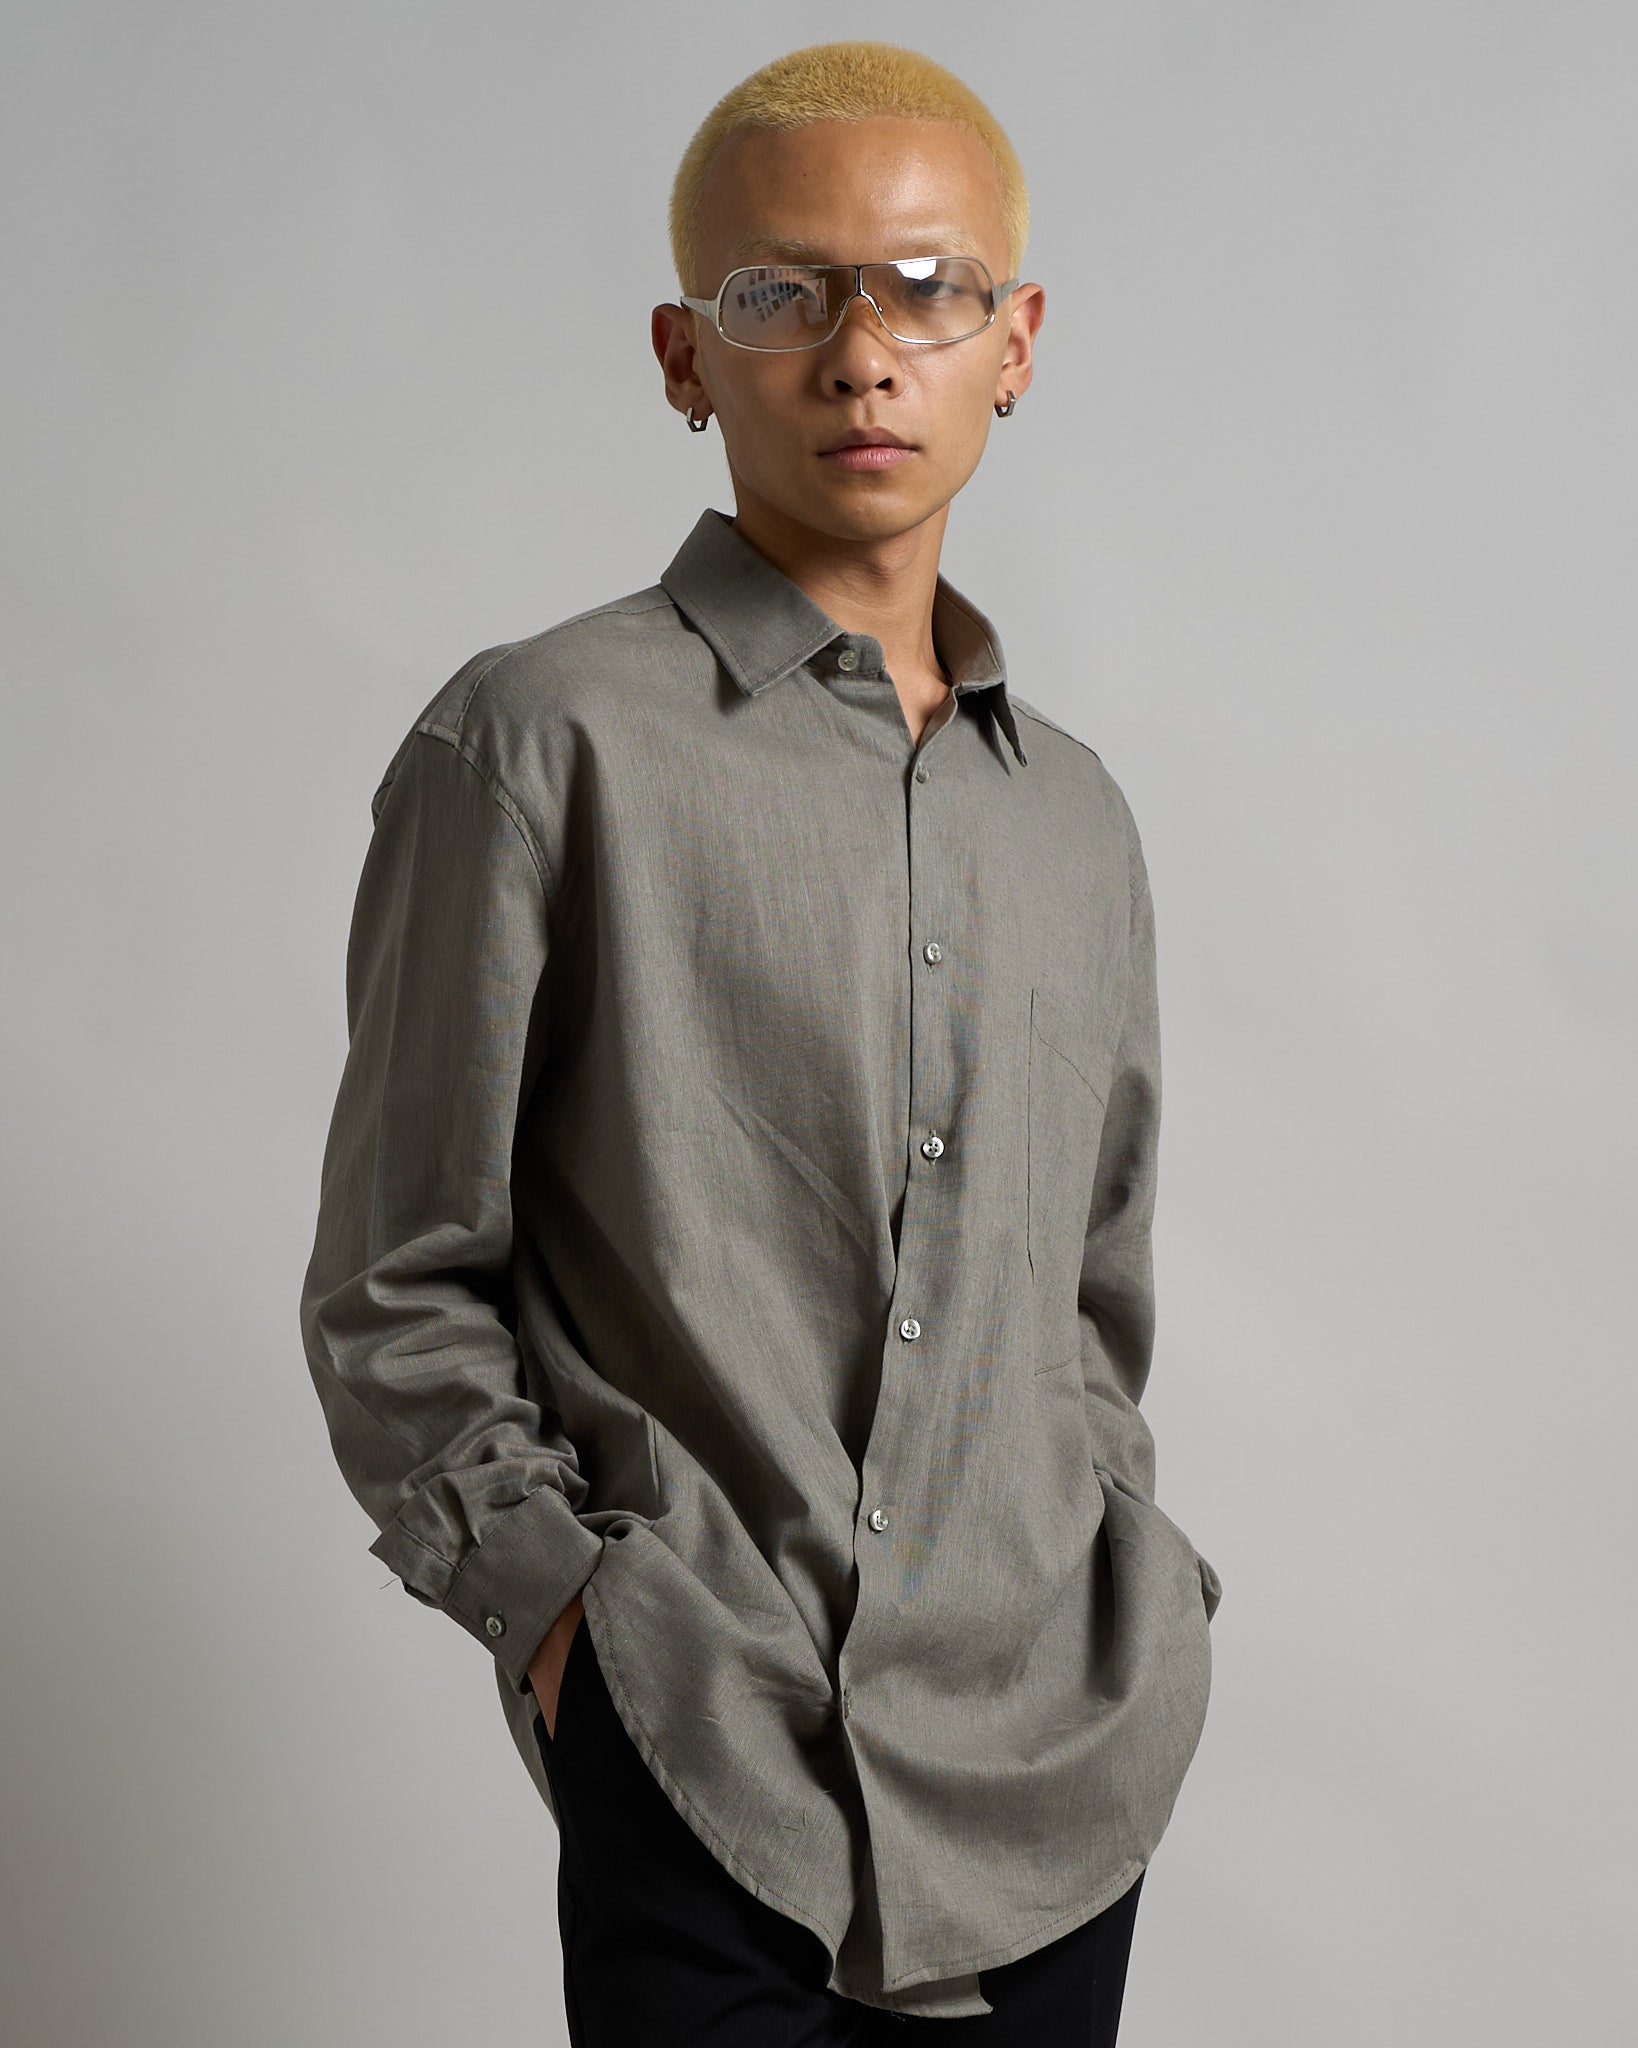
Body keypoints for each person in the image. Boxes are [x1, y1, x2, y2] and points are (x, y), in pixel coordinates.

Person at [301, 36, 1222, 2047]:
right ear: (684, 356)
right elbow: (398, 1274)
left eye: (928, 289)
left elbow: (1091, 1293)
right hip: (701, 1736)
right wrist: (566, 1622)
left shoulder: (1076, 817)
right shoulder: (535, 741)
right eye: (781, 294)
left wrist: (1121, 1567)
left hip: (1050, 1770)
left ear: (1015, 342)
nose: (863, 355)